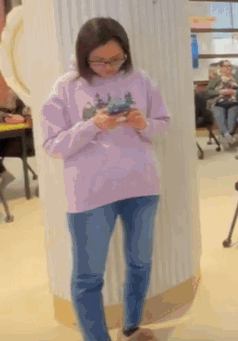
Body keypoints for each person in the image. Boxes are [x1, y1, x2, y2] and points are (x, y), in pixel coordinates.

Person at [40, 17, 170, 341]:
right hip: (90, 192)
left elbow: (163, 123)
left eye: (116, 59)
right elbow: (51, 145)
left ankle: (131, 326)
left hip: (141, 185)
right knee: (88, 276)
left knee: (140, 262)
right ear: (84, 56)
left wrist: (144, 124)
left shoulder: (139, 80)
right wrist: (93, 126)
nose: (110, 67)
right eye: (100, 60)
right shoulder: (66, 87)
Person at [207, 60, 238, 149]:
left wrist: (234, 91)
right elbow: (208, 91)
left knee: (232, 117)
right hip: (218, 102)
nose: (228, 68)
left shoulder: (237, 78)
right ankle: (228, 136)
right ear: (221, 68)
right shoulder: (216, 79)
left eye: (230, 66)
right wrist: (219, 92)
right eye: (225, 66)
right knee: (220, 116)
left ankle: (226, 136)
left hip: (233, 102)